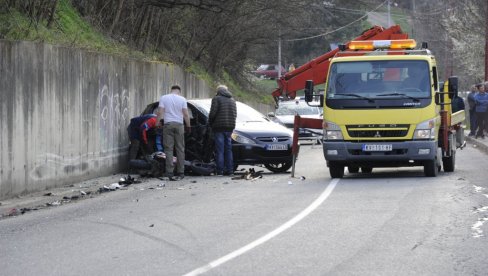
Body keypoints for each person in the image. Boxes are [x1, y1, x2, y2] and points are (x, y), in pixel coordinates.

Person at [157, 85, 191, 180]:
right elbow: (185, 114)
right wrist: (188, 126)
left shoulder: (164, 98)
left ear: (171, 90)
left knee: (168, 149)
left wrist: (157, 123)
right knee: (180, 148)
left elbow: (160, 112)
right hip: (179, 125)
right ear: (179, 91)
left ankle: (169, 172)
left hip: (168, 125)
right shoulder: (182, 99)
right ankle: (181, 172)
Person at [208, 84, 237, 176]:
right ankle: (230, 171)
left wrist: (210, 123)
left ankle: (220, 171)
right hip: (230, 127)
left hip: (219, 127)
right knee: (228, 149)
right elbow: (234, 114)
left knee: (220, 150)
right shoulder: (232, 100)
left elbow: (213, 113)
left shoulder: (216, 99)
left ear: (218, 91)